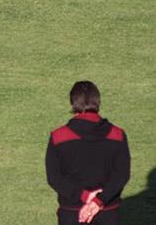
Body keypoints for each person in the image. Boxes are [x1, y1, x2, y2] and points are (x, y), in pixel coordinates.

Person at [45, 81, 131, 225]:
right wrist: (98, 201)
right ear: (98, 102)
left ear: (72, 103)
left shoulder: (58, 136)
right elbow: (121, 175)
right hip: (107, 213)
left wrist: (85, 196)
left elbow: (54, 178)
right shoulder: (117, 135)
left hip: (72, 213)